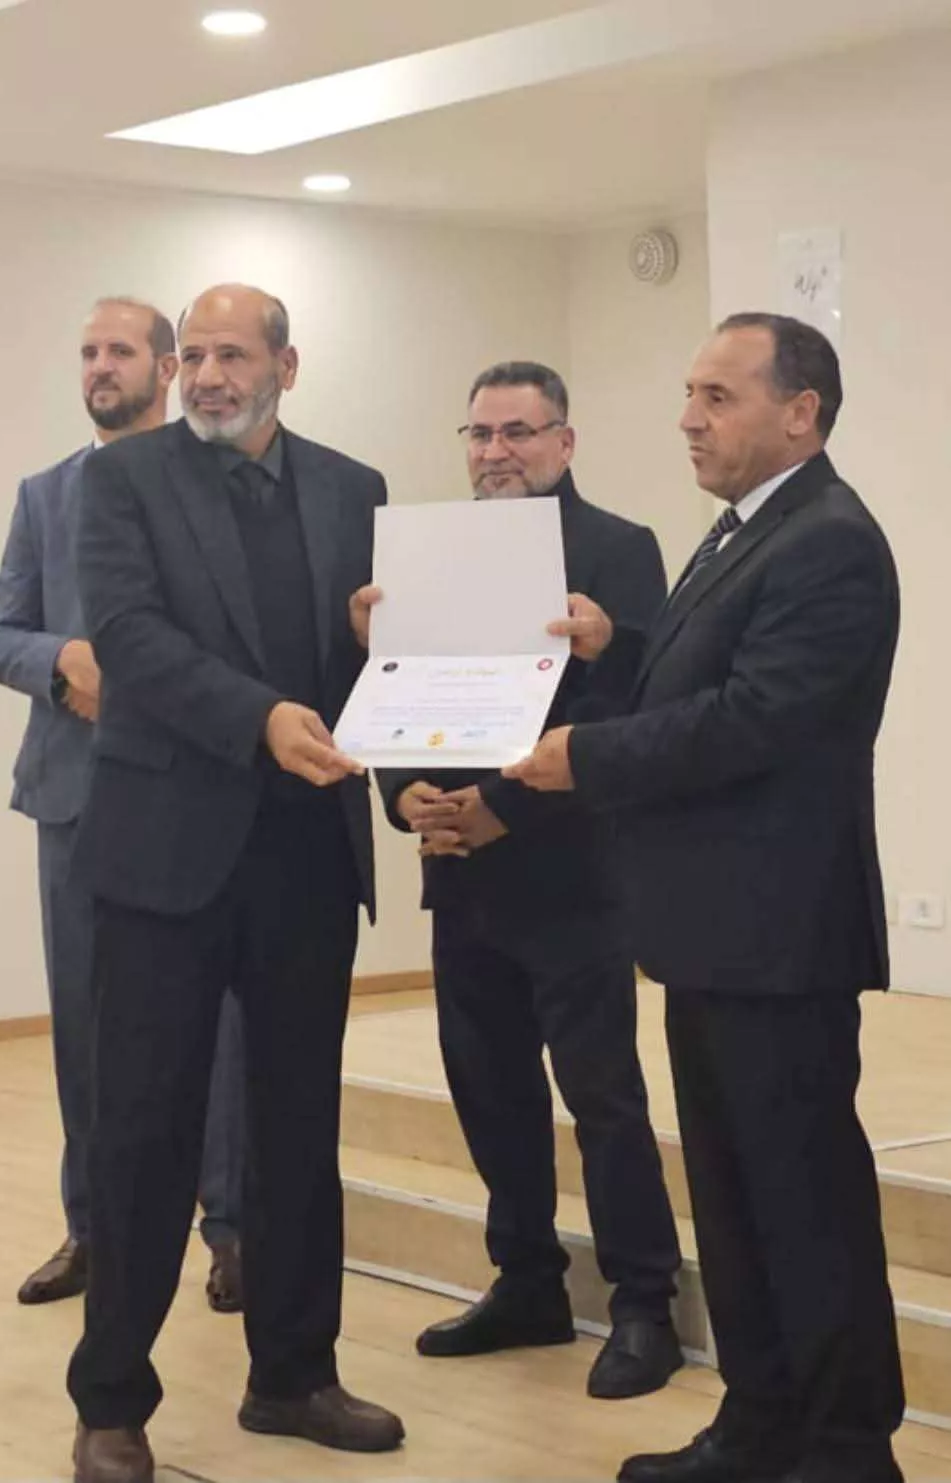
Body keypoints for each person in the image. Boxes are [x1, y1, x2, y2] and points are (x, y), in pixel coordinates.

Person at [506, 314, 904, 1483]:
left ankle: (844, 1450)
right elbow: (697, 679)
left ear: (802, 412)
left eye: (718, 397)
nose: (688, 418)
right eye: (690, 392)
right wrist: (614, 646)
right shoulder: (749, 529)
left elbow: (755, 719)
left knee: (805, 1205)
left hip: (780, 939)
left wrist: (584, 755)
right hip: (713, 934)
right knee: (733, 1203)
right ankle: (759, 1424)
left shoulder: (829, 541)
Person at [67, 284, 404, 1483]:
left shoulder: (355, 488)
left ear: (286, 367)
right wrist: (260, 716)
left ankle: (295, 1375)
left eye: (232, 355)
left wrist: (374, 645)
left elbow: (359, 670)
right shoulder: (121, 480)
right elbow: (130, 638)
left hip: (306, 852)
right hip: (163, 858)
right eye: (195, 355)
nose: (207, 376)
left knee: (299, 1125)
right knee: (145, 1133)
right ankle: (112, 1400)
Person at [376, 362, 682, 1400]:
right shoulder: (427, 555)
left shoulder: (619, 548)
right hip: (459, 873)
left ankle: (643, 1302)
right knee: (489, 1090)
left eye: (518, 431)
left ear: (564, 441)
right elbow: (395, 683)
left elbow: (630, 705)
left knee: (602, 1098)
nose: (496, 451)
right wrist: (408, 795)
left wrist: (507, 807)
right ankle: (527, 1283)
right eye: (480, 433)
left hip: (572, 872)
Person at [0, 297, 247, 1315]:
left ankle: (232, 1230)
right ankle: (93, 1227)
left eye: (120, 350)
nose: (100, 366)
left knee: (217, 1023)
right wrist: (63, 661)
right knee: (85, 1026)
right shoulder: (45, 495)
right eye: (88, 350)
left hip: (193, 791)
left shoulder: (212, 480)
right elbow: (2, 633)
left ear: (167, 369)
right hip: (75, 792)